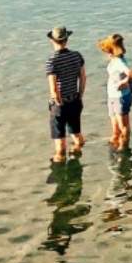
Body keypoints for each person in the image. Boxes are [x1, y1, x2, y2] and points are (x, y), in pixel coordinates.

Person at [46, 26, 86, 163]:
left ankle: (59, 162)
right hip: (74, 100)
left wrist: (57, 101)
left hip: (60, 104)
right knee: (76, 134)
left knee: (60, 142)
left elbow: (53, 86)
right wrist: (79, 95)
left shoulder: (52, 61)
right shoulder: (77, 56)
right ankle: (76, 153)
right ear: (67, 39)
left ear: (52, 40)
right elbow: (83, 77)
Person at [98, 34, 132, 150]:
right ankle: (115, 143)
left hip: (121, 97)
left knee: (123, 126)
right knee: (115, 127)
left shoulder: (119, 62)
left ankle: (124, 147)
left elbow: (131, 74)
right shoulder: (115, 59)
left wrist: (125, 82)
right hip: (112, 96)